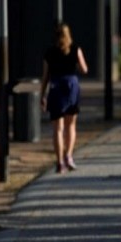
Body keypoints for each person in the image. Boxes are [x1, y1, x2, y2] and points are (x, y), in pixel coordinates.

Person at [40, 23, 88, 173]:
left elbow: (45, 76)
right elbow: (84, 69)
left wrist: (42, 94)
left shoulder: (50, 52)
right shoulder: (75, 49)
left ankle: (60, 161)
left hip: (56, 87)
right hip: (71, 87)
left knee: (58, 128)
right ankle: (69, 155)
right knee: (71, 125)